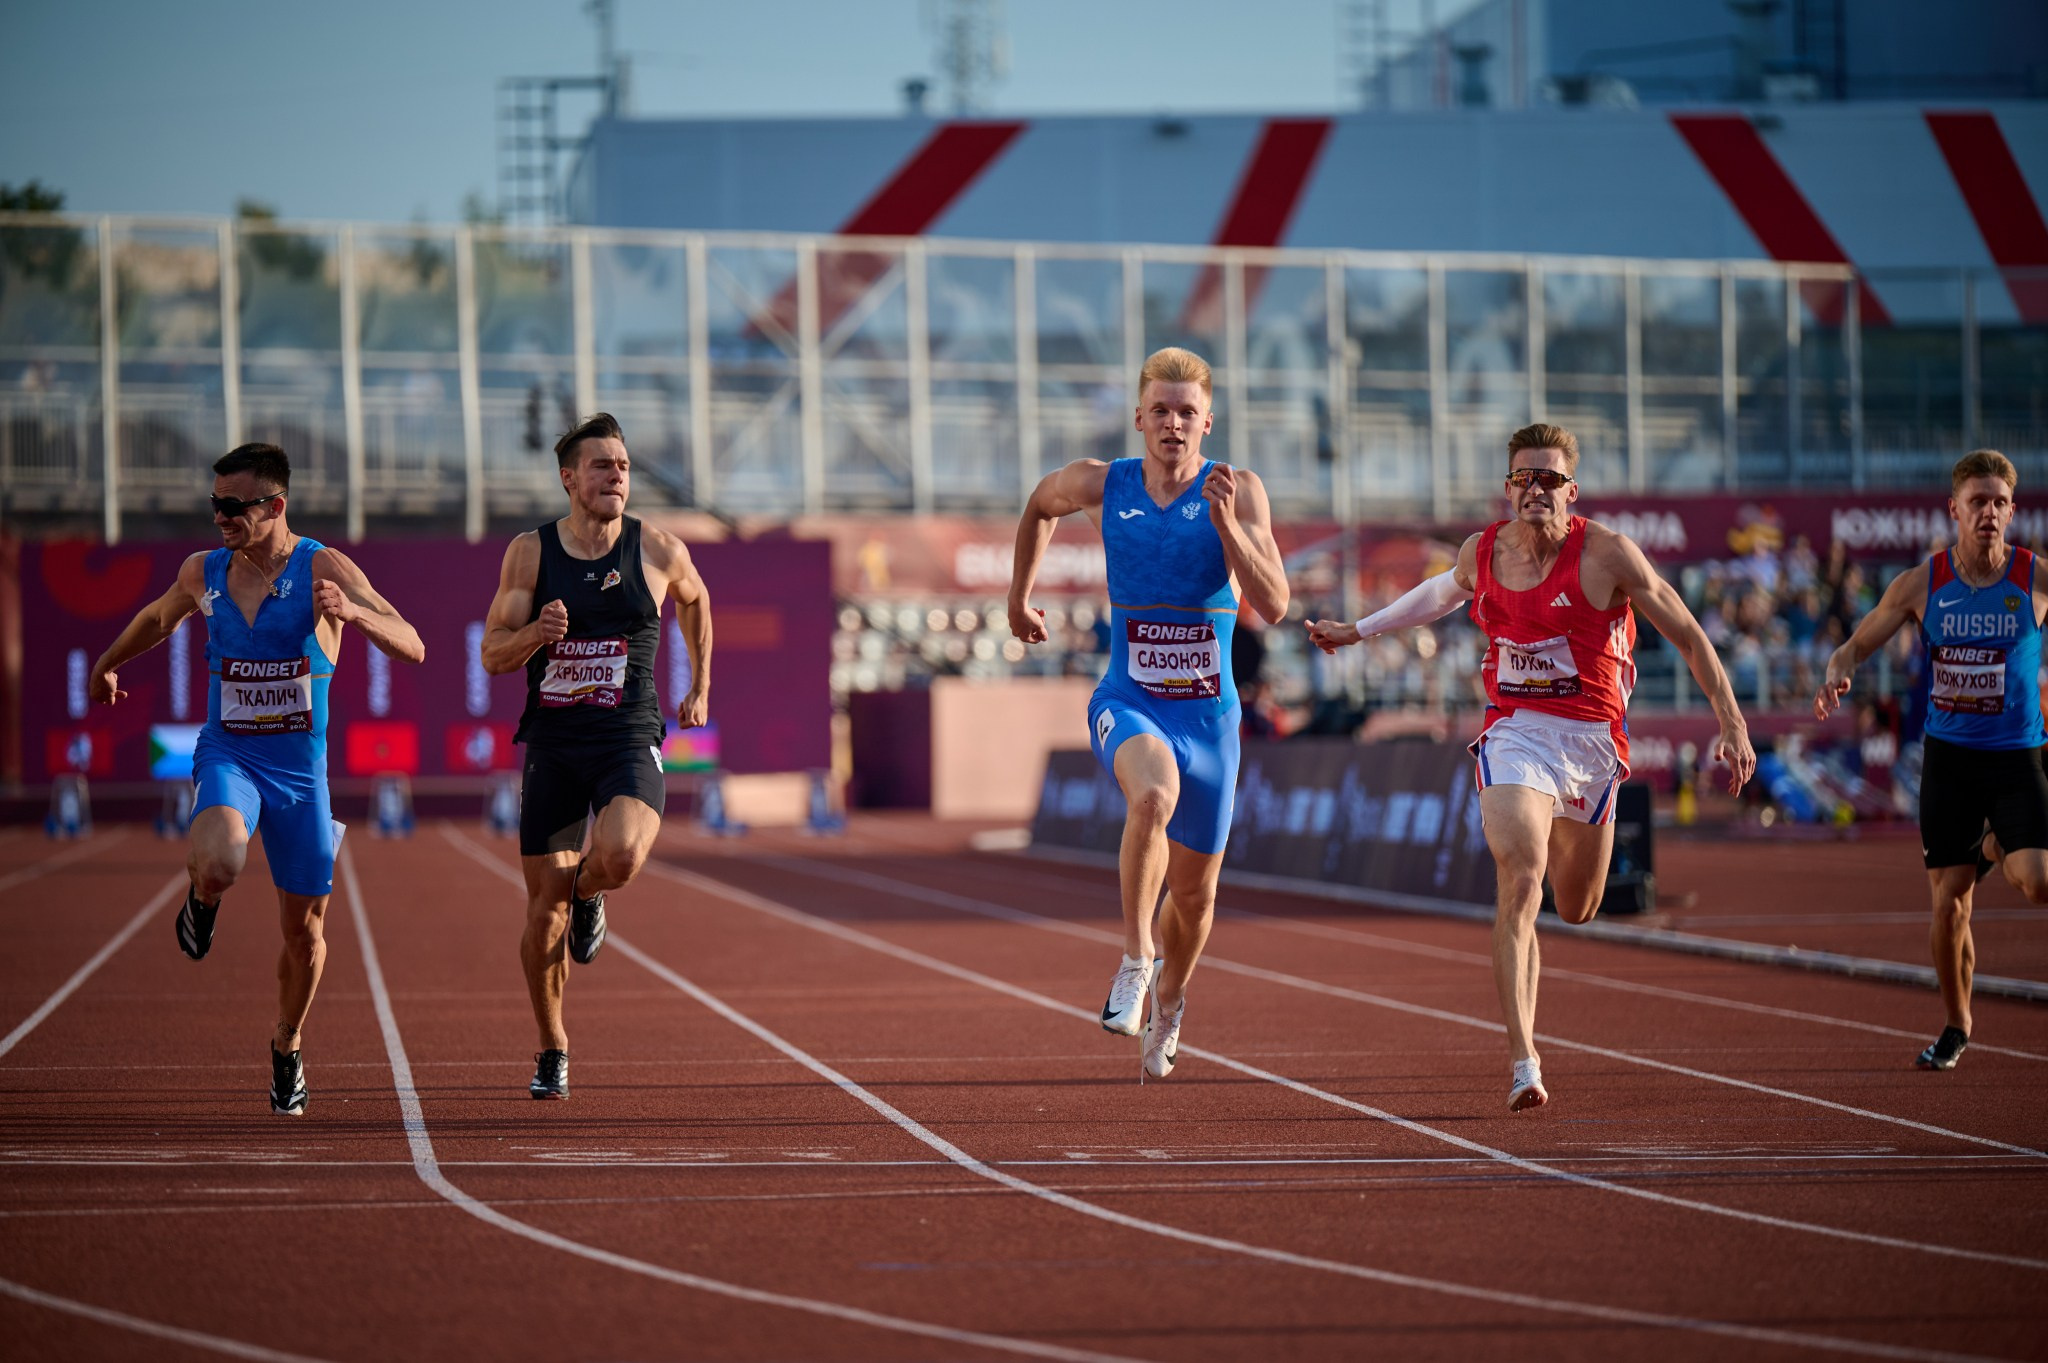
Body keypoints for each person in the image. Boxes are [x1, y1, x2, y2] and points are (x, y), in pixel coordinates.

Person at [1307, 423, 1755, 1112]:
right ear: (1508, 487)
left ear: (1571, 492)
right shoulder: (1482, 551)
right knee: (1519, 876)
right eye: (1524, 477)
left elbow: (1688, 632)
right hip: (1515, 730)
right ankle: (1524, 1060)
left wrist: (1730, 719)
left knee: (1577, 907)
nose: (1536, 489)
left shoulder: (1608, 554)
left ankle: (1555, 858)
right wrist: (1358, 629)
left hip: (1592, 741)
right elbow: (1438, 594)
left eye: (1550, 479)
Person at [90, 443, 425, 1115]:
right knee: (220, 859)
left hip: (300, 775)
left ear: (275, 506)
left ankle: (287, 1043)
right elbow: (159, 618)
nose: (219, 518)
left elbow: (413, 642)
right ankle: (202, 899)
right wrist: (105, 664)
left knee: (304, 934)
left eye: (233, 506)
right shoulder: (202, 570)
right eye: (213, 504)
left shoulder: (323, 566)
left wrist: (352, 614)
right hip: (231, 756)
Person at [1009, 347, 1289, 1081]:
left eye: (1186, 412)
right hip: (1129, 699)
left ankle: (1170, 997)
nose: (1173, 423)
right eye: (1160, 410)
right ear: (1139, 417)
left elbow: (1277, 604)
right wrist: (1018, 597)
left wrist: (1229, 527)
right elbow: (1040, 503)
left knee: (1195, 897)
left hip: (1211, 722)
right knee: (1151, 795)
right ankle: (1135, 959)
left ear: (1208, 421)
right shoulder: (1104, 484)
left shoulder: (1240, 490)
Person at [480, 413, 712, 1100]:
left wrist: (700, 682)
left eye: (624, 465)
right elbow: (492, 653)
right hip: (553, 743)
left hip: (625, 736)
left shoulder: (658, 549)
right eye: (603, 465)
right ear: (569, 478)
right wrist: (534, 634)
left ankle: (590, 892)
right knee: (539, 910)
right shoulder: (530, 554)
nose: (617, 475)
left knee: (621, 857)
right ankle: (553, 1045)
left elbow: (697, 602)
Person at [1816, 449, 2048, 1071]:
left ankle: (1994, 846)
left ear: (2012, 511)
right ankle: (1956, 1024)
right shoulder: (1924, 583)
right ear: (1955, 510)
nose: (1990, 514)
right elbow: (1857, 643)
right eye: (1978, 503)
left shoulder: (2034, 579)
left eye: (2000, 503)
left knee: (2038, 879)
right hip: (1950, 762)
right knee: (1950, 903)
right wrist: (1838, 671)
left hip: (2018, 755)